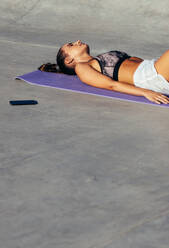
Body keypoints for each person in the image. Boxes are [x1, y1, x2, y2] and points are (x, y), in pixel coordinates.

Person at [38, 40, 169, 105]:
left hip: (152, 67)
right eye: (71, 45)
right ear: (69, 59)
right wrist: (145, 92)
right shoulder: (82, 68)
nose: (77, 41)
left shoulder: (96, 59)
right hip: (148, 76)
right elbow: (111, 85)